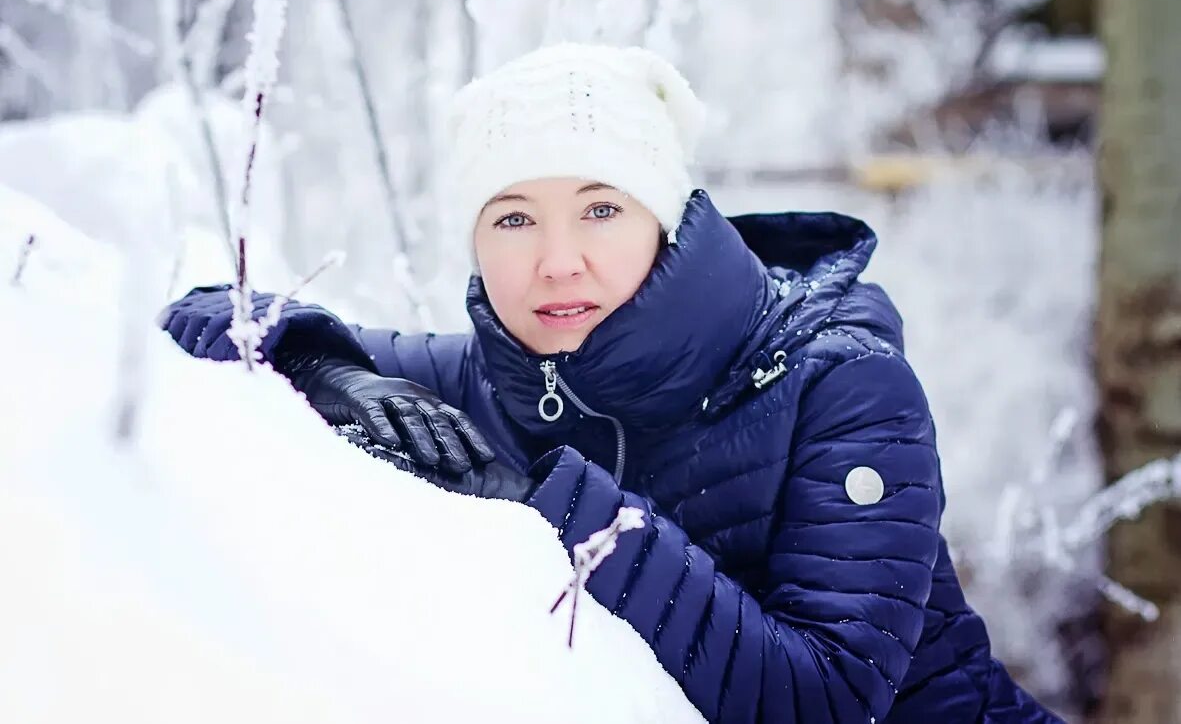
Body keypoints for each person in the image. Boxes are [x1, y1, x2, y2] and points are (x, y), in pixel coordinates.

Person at [160, 43, 1062, 723]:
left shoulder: (841, 384)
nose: (557, 262)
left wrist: (548, 506)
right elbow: (205, 318)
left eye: (600, 208)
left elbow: (826, 698)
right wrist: (325, 364)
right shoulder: (498, 376)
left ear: (665, 220)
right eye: (512, 217)